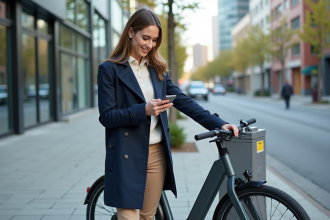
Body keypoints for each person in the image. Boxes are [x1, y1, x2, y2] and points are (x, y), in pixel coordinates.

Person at [97, 8, 238, 220]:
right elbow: (107, 116)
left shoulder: (157, 69)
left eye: (154, 40)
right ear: (130, 32)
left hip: (156, 154)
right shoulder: (109, 69)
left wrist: (218, 123)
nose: (149, 45)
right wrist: (143, 110)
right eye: (145, 38)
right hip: (126, 153)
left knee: (147, 216)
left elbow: (184, 102)